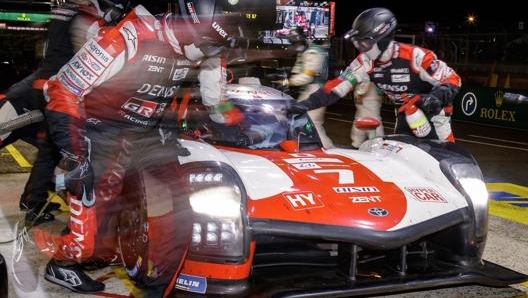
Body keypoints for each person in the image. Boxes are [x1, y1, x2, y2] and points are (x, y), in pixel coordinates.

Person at [31, 1, 245, 295]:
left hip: (147, 134)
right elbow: (62, 88)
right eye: (206, 42)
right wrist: (74, 153)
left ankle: (156, 278)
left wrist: (244, 124)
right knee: (89, 238)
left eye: (215, 45)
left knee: (178, 204)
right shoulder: (130, 35)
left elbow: (217, 103)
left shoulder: (209, 50)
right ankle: (63, 263)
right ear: (185, 25)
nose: (209, 51)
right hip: (99, 131)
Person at [0, 0, 128, 225]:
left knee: (50, 151)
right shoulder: (86, 17)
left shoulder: (64, 11)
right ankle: (33, 202)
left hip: (42, 87)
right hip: (32, 96)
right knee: (49, 152)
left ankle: (32, 200)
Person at [289, 7, 461, 143]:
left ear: (382, 39)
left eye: (364, 42)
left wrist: (436, 97)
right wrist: (304, 105)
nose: (360, 48)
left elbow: (453, 79)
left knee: (442, 159)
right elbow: (336, 87)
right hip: (404, 114)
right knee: (404, 163)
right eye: (357, 43)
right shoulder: (365, 62)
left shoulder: (416, 56)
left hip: (435, 114)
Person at [288, 28, 334, 149]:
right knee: (297, 120)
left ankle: (330, 151)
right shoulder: (305, 51)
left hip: (316, 90)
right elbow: (298, 71)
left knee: (313, 125)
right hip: (309, 90)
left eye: (297, 42)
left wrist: (288, 81)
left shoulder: (313, 52)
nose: (295, 46)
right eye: (294, 43)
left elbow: (307, 77)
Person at [350, 81, 384, 148]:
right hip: (371, 92)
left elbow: (366, 77)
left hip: (367, 93)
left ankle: (358, 143)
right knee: (371, 119)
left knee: (365, 118)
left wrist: (360, 93)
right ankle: (376, 143)